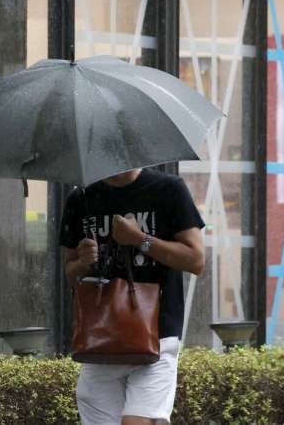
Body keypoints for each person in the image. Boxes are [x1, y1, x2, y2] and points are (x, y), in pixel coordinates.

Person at [60, 167, 205, 425]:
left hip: (156, 341)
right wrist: (82, 262)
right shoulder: (80, 198)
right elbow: (71, 274)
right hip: (100, 342)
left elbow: (196, 260)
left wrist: (139, 239)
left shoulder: (169, 190)